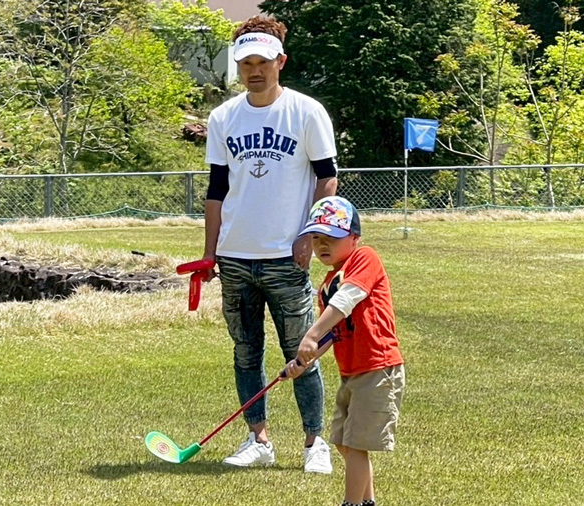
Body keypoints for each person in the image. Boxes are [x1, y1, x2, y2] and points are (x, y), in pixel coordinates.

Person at [199, 15, 339, 473]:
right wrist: (210, 250)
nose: (254, 70)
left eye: (262, 61)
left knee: (302, 351)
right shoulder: (223, 117)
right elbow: (217, 188)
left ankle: (314, 443)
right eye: (246, 63)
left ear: (281, 61)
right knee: (245, 353)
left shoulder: (306, 111)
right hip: (235, 257)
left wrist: (309, 234)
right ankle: (258, 439)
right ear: (237, 67)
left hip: (286, 256)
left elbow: (327, 176)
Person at [285, 196, 406, 506]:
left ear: (354, 238)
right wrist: (304, 359)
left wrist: (311, 333)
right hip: (352, 371)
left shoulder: (365, 258)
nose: (323, 245)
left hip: (377, 367)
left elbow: (348, 300)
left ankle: (352, 504)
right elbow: (335, 332)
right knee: (343, 441)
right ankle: (367, 502)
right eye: (316, 239)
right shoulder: (327, 284)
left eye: (332, 238)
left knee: (355, 445)